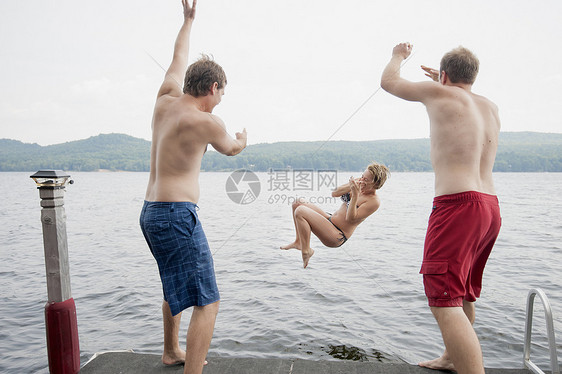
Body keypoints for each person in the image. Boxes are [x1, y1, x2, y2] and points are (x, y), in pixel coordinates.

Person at [139, 1, 247, 373]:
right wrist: (242, 139)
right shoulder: (208, 121)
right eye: (221, 93)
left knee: (173, 284)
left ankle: (171, 351)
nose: (220, 100)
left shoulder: (164, 99)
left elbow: (177, 55)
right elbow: (231, 149)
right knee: (208, 300)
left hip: (150, 213)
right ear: (213, 88)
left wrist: (187, 22)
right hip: (175, 214)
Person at [381, 43, 501, 374]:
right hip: (490, 208)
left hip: (458, 205)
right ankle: (451, 358)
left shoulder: (441, 94)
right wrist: (445, 82)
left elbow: (389, 82)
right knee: (462, 294)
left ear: (444, 75)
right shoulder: (489, 107)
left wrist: (398, 56)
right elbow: (463, 98)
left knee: (443, 300)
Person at [281, 162, 390, 268]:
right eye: (362, 176)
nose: (361, 180)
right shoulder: (359, 184)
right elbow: (334, 193)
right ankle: (299, 242)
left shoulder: (374, 201)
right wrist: (350, 186)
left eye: (366, 180)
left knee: (300, 211)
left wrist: (355, 196)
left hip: (337, 235)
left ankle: (307, 250)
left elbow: (351, 218)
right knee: (297, 203)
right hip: (330, 219)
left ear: (375, 184)